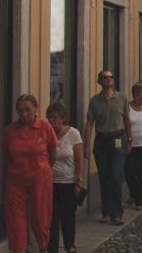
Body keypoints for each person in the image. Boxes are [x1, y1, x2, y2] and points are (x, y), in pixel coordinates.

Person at [3, 94, 57, 253]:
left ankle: (42, 247)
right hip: (16, 181)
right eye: (20, 111)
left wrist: (44, 169)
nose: (24, 114)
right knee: (16, 222)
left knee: (40, 221)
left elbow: (53, 152)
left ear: (36, 110)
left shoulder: (45, 127)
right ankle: (19, 249)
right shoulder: (10, 130)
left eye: (27, 110)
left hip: (40, 180)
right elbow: (7, 155)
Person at [84, 69, 131, 225]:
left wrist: (129, 140)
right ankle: (106, 211)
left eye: (111, 77)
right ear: (99, 81)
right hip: (101, 141)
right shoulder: (95, 101)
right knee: (104, 177)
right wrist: (87, 144)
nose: (108, 79)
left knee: (116, 176)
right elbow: (90, 123)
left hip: (118, 138)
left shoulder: (122, 98)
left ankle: (116, 213)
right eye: (105, 77)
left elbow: (127, 119)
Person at [46, 101, 83, 253]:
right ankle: (52, 248)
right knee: (51, 217)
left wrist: (78, 181)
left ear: (63, 118)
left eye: (55, 117)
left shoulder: (73, 134)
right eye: (49, 117)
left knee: (67, 216)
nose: (52, 121)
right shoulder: (47, 133)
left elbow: (79, 160)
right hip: (50, 182)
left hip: (68, 182)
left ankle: (69, 245)